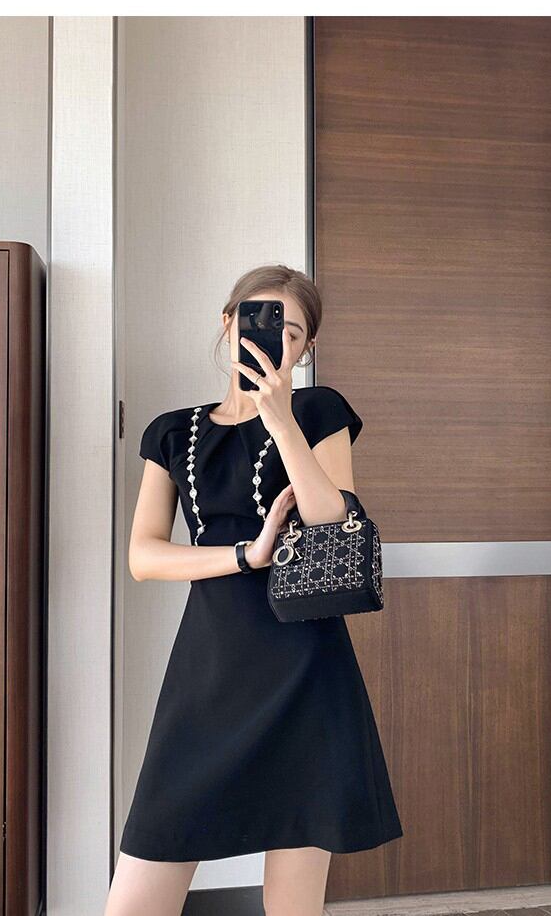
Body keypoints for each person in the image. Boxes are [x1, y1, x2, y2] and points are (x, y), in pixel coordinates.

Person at [104, 265, 402, 916]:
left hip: (305, 670)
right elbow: (143, 557)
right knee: (135, 896)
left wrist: (281, 420)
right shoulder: (173, 432)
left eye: (291, 332)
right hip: (209, 669)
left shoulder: (319, 412)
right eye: (259, 321)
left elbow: (332, 521)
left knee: (293, 904)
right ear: (227, 323)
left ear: (306, 348)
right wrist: (248, 554)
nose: (274, 340)